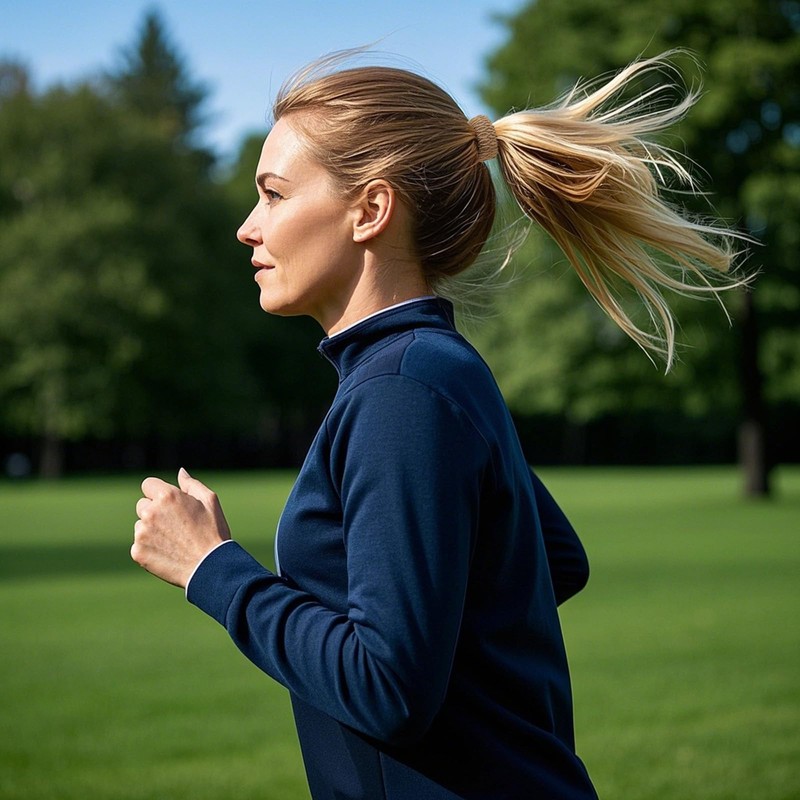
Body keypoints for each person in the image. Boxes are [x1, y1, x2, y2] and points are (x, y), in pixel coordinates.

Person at [131, 52, 743, 799]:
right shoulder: (430, 370)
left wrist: (211, 567)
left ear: (371, 210)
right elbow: (552, 559)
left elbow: (387, 688)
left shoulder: (402, 391)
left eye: (274, 194)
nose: (247, 227)